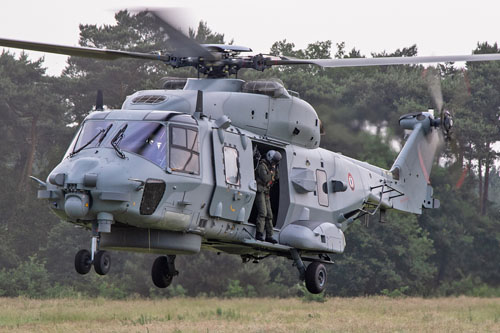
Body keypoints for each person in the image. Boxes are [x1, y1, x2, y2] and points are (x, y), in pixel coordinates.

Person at [255, 150, 282, 243]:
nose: (274, 163)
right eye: (274, 161)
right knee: (263, 212)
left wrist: (275, 168)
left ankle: (269, 235)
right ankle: (259, 233)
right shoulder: (262, 166)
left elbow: (277, 177)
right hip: (260, 191)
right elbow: (266, 179)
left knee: (269, 215)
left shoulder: (272, 167)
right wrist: (271, 171)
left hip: (266, 192)